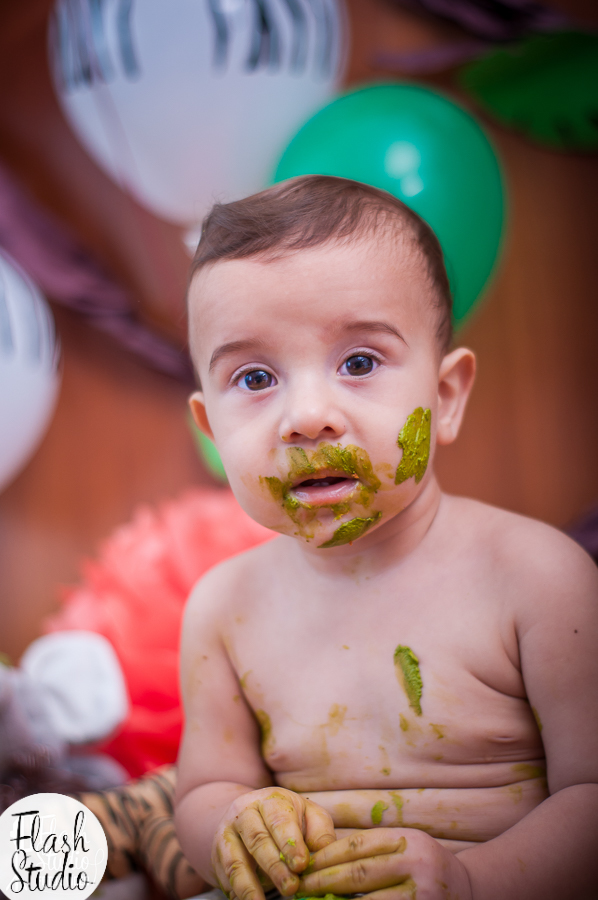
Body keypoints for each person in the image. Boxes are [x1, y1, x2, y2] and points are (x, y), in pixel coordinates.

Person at [174, 175, 598, 900]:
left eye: (359, 363)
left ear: (445, 396)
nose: (307, 417)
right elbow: (204, 792)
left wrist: (470, 882)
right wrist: (231, 824)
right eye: (255, 377)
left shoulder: (539, 578)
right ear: (212, 429)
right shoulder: (222, 609)